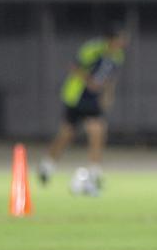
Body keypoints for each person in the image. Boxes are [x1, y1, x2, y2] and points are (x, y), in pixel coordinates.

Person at [38, 26, 128, 191]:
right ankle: (47, 165)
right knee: (66, 134)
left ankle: (94, 172)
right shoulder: (92, 50)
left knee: (97, 130)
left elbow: (111, 77)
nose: (124, 42)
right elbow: (74, 67)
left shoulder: (118, 56)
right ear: (110, 39)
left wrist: (108, 94)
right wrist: (90, 81)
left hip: (93, 99)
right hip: (77, 95)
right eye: (121, 39)